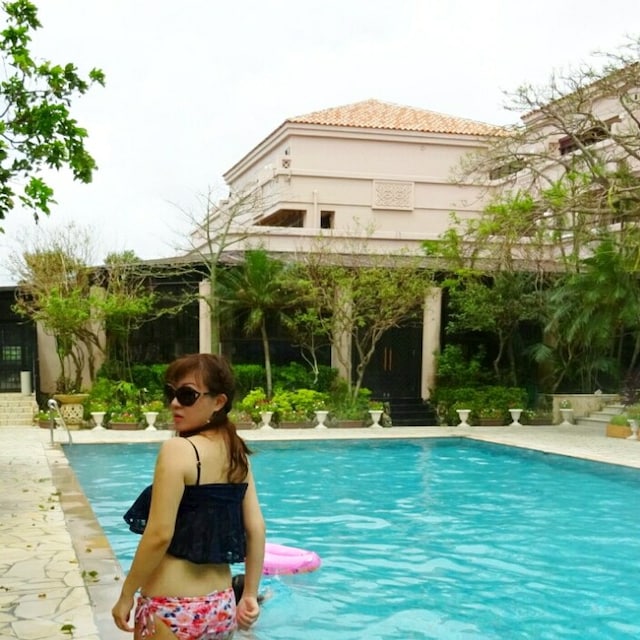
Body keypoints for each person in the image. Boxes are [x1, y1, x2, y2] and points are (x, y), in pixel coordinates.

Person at [112, 353, 266, 639]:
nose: (174, 403)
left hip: (171, 608)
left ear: (218, 402)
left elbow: (159, 534)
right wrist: (249, 594)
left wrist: (126, 594)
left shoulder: (178, 450)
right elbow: (256, 528)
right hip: (221, 606)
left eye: (187, 395)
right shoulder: (236, 454)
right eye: (171, 393)